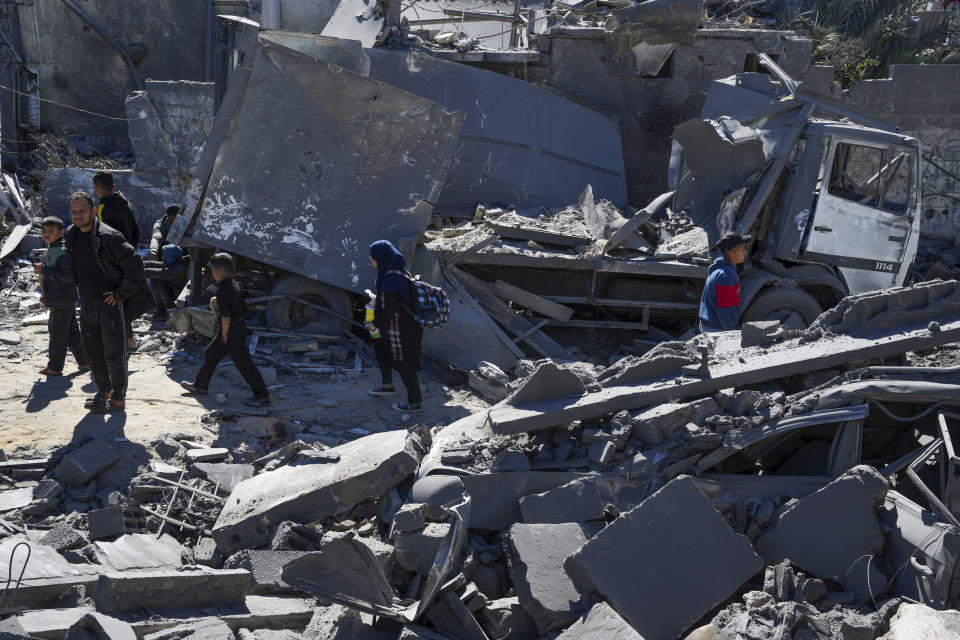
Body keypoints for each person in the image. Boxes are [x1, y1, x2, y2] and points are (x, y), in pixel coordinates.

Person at [65, 192, 154, 413]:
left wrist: (120, 294)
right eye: (74, 212)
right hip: (87, 305)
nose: (78, 216)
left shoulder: (110, 237)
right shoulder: (70, 235)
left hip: (110, 306)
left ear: (93, 211)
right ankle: (103, 391)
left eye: (82, 211)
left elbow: (136, 267)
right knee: (93, 353)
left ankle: (118, 398)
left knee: (114, 354)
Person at [180, 253, 270, 408]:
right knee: (211, 353)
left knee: (244, 364)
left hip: (231, 332)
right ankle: (200, 386)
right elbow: (238, 307)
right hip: (235, 328)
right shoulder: (234, 284)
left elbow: (226, 317)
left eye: (213, 270)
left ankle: (262, 397)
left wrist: (224, 335)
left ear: (217, 271)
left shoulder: (222, 290)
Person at [367, 239, 423, 412]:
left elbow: (391, 308)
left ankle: (414, 404)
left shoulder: (391, 277)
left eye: (372, 257)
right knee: (381, 349)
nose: (370, 260)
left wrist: (374, 323)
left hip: (402, 329)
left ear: (382, 257)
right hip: (395, 327)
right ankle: (387, 386)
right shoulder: (395, 272)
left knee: (405, 363)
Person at [34, 216, 89, 376]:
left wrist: (43, 271)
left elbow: (67, 277)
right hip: (62, 299)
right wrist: (47, 296)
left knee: (57, 333)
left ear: (61, 232)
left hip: (62, 301)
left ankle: (55, 367)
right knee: (71, 333)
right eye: (44, 230)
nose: (46, 233)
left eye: (51, 230)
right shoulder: (55, 247)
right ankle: (85, 362)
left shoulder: (62, 251)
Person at [93, 171, 141, 349]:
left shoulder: (102, 209)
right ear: (113, 187)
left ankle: (123, 339)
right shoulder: (127, 204)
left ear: (97, 188)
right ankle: (129, 339)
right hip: (128, 255)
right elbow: (136, 230)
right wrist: (131, 251)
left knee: (113, 299)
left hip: (112, 260)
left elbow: (104, 237)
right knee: (124, 297)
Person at [699, 232, 750, 333]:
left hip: (711, 326)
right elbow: (723, 308)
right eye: (743, 249)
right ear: (733, 252)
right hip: (716, 330)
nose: (746, 253)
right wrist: (731, 331)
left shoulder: (721, 270)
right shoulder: (726, 275)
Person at [144, 245, 189, 318]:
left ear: (170, 256)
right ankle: (162, 308)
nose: (162, 257)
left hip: (180, 296)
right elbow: (160, 264)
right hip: (176, 290)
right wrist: (142, 264)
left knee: (156, 279)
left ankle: (167, 309)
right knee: (156, 278)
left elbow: (153, 272)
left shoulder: (178, 270)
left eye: (164, 255)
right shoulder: (178, 261)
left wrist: (136, 272)